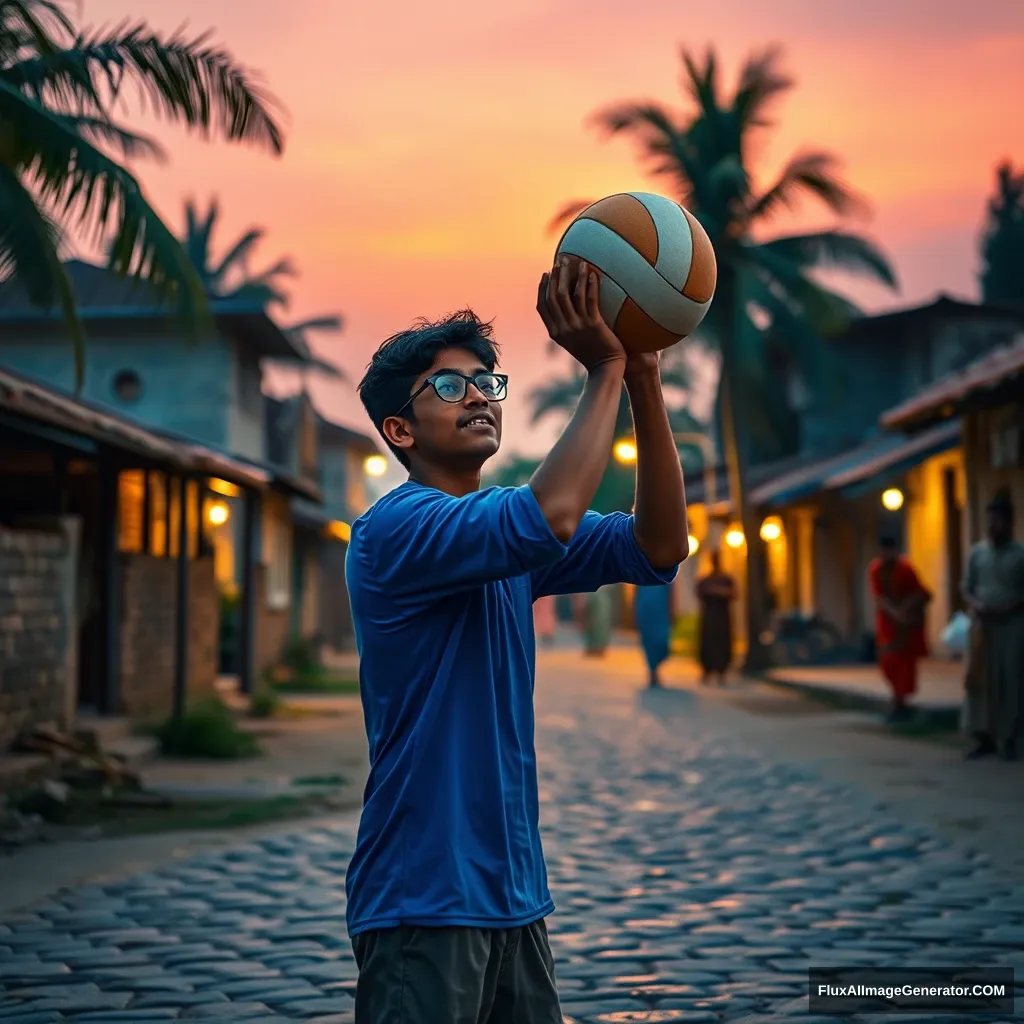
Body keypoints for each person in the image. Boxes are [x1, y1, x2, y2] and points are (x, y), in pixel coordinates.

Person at [345, 255, 689, 1024]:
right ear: (398, 429)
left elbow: (661, 545)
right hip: (422, 899)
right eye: (447, 384)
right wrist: (603, 367)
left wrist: (642, 381)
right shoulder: (396, 530)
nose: (476, 394)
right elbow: (551, 515)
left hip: (514, 898)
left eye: (485, 382)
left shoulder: (505, 545)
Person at [961, 491, 1024, 761]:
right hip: (982, 626)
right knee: (980, 681)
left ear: (1009, 523)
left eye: (997, 520)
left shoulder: (1020, 555)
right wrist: (976, 604)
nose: (991, 526)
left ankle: (1009, 738)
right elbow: (965, 587)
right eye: (989, 520)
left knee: (1010, 681)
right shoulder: (977, 553)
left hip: (1011, 626)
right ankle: (982, 736)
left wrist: (1008, 607)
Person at [867, 536, 931, 722]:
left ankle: (900, 701)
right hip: (888, 624)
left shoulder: (906, 569)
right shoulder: (876, 570)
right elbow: (879, 597)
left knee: (904, 664)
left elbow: (921, 593)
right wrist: (894, 613)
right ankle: (898, 699)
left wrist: (904, 610)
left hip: (906, 626)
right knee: (888, 662)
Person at [695, 551, 735, 684]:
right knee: (708, 643)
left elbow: (733, 594)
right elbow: (700, 593)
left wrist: (718, 592)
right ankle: (707, 670)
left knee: (723, 643)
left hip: (723, 617)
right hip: (709, 617)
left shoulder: (726, 579)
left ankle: (722, 670)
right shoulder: (705, 579)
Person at [634, 581, 676, 687]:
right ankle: (653, 671)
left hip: (661, 610)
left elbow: (672, 593)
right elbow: (636, 593)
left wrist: (672, 610)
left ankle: (656, 667)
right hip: (645, 609)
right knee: (648, 641)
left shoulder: (668, 569)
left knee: (662, 640)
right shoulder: (640, 567)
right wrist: (634, 613)